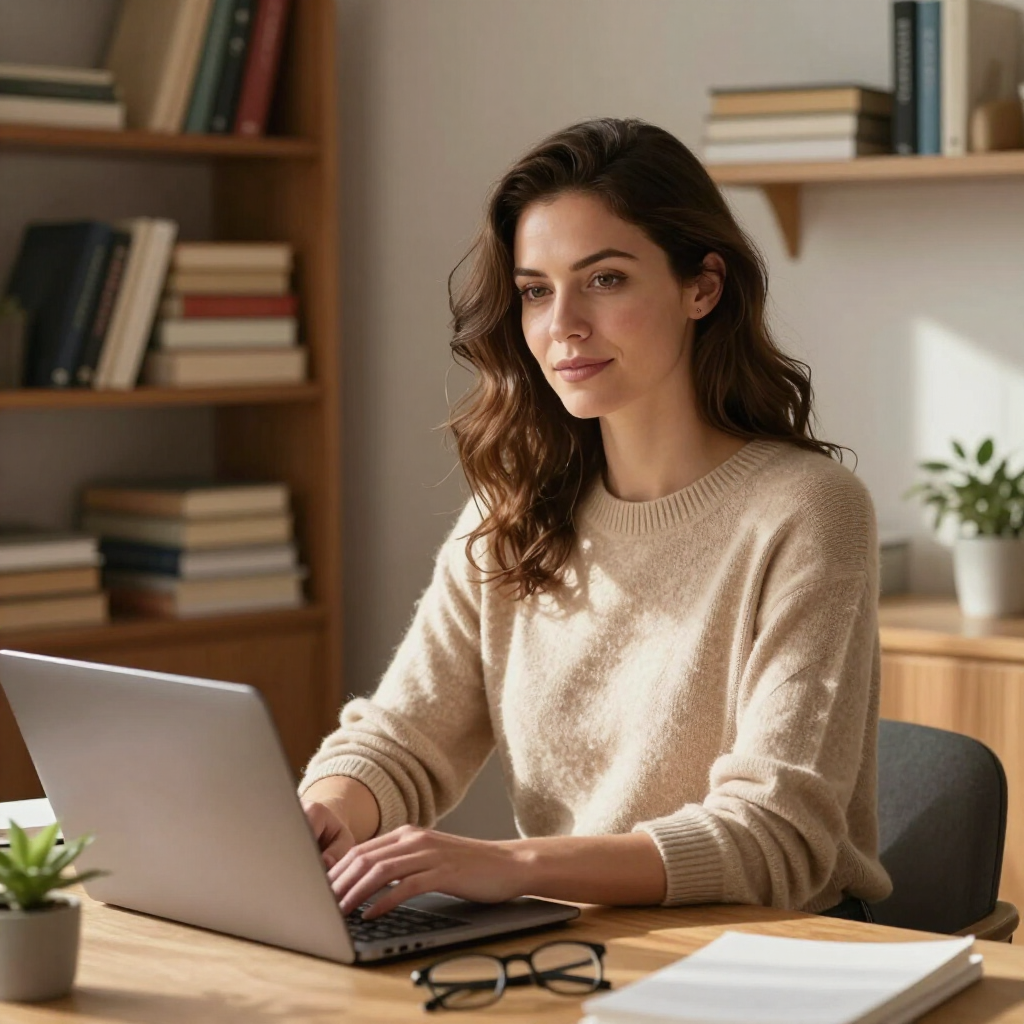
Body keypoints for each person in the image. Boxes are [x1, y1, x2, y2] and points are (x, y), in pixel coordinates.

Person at [299, 117, 893, 925]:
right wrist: (328, 811)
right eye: (537, 290)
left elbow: (773, 837)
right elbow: (404, 739)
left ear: (702, 287)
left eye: (605, 280)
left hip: (769, 956)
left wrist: (506, 867)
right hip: (579, 944)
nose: (562, 326)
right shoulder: (513, 513)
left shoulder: (806, 511)